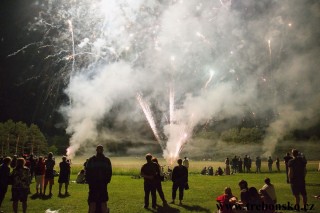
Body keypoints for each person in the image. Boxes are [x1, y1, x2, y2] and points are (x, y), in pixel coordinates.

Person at [86, 145, 112, 213]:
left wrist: (89, 182)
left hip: (93, 185)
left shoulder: (91, 160)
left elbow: (87, 172)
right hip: (103, 185)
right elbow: (109, 173)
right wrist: (106, 181)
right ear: (103, 150)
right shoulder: (107, 160)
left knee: (92, 203)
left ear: (96, 150)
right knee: (103, 203)